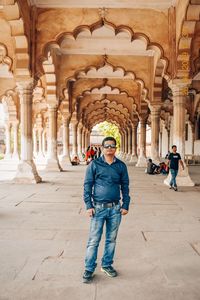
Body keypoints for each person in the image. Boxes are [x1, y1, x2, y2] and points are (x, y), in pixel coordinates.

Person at [82, 136, 131, 283]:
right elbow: (87, 185)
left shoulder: (121, 166)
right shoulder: (94, 164)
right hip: (98, 208)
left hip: (115, 209)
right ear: (102, 148)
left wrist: (125, 204)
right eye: (107, 146)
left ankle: (107, 265)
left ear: (116, 148)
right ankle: (89, 268)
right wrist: (88, 205)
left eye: (112, 146)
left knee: (111, 240)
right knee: (93, 240)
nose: (110, 148)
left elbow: (125, 186)